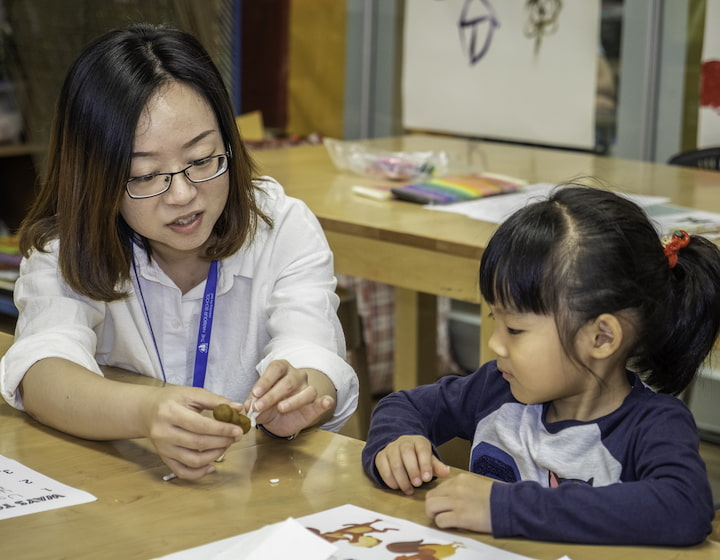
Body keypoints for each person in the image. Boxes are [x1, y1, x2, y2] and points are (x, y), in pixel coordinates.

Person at [0, 23, 358, 480]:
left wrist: (300, 394)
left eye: (203, 159)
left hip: (251, 487)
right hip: (123, 488)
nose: (184, 194)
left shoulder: (280, 225)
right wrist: (147, 411)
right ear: (95, 175)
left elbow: (312, 349)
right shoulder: (66, 244)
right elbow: (43, 371)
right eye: (147, 175)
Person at [362, 185, 720, 545]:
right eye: (494, 319)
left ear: (601, 338)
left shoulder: (653, 425)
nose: (494, 342)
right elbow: (404, 405)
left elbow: (684, 506)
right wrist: (398, 442)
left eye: (515, 328)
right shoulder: (496, 388)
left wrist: (505, 508)